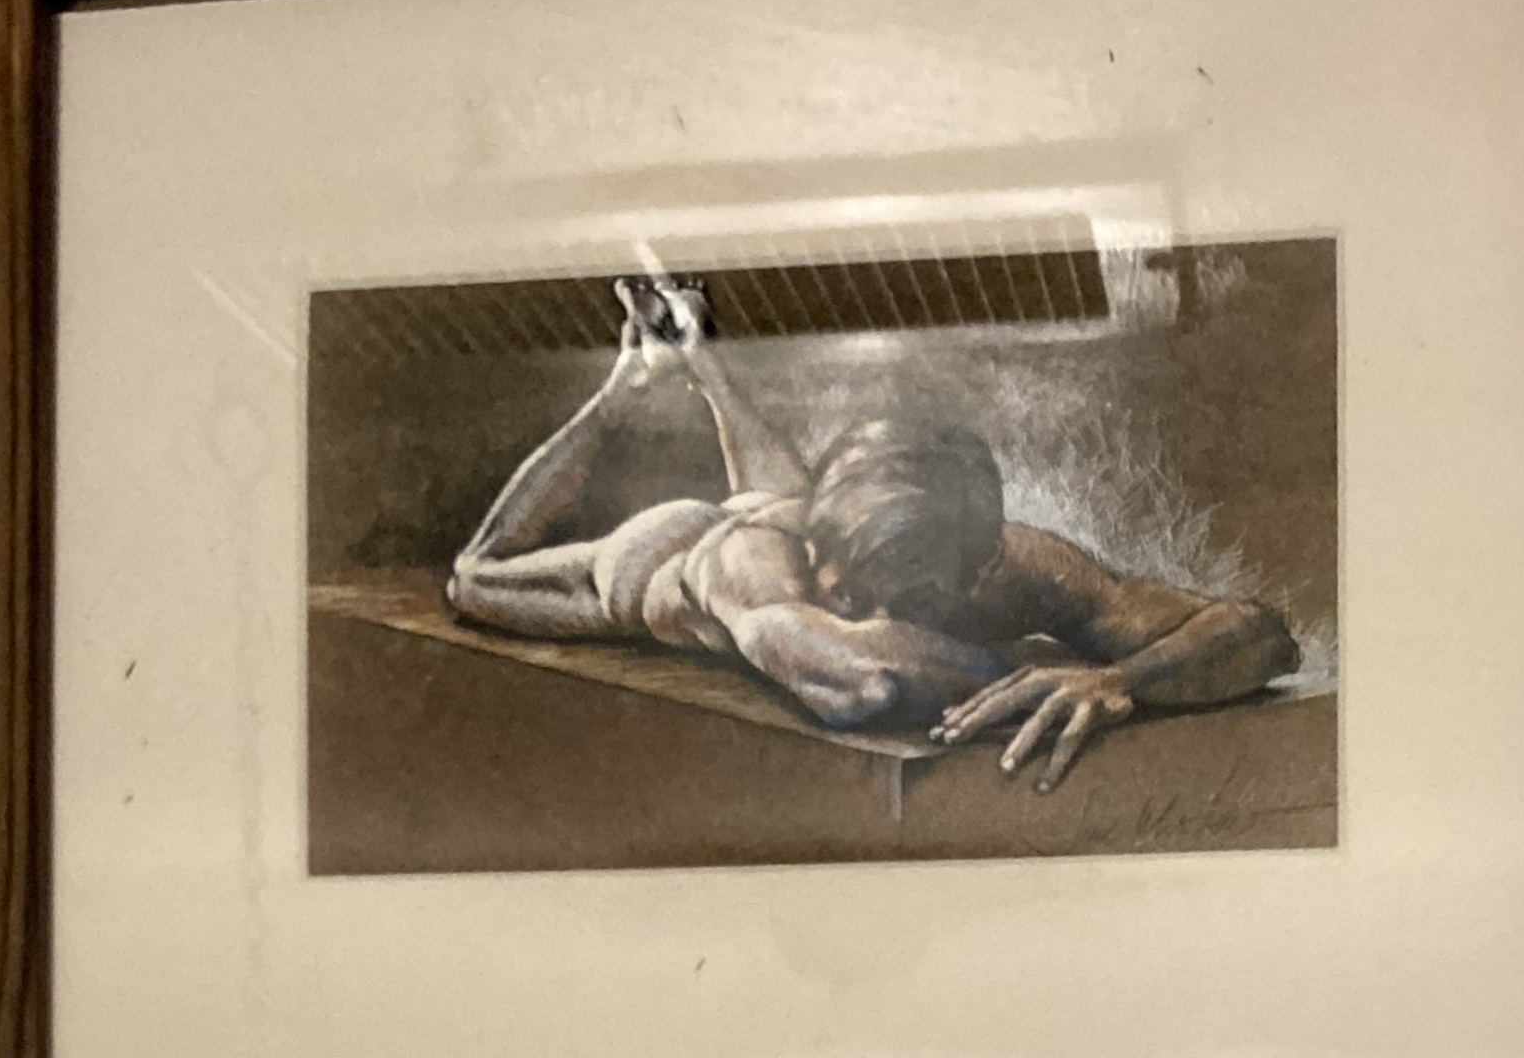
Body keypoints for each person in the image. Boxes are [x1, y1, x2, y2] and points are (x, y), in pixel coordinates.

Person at [448, 277, 1299, 792]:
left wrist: (1120, 677)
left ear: (979, 569)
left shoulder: (1020, 562)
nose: (859, 611)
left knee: (778, 503)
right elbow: (863, 683)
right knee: (475, 577)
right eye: (844, 585)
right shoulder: (757, 570)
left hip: (798, 513)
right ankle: (625, 384)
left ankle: (703, 364)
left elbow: (1261, 632)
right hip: (671, 562)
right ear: (818, 544)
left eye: (898, 596)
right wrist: (1034, 664)